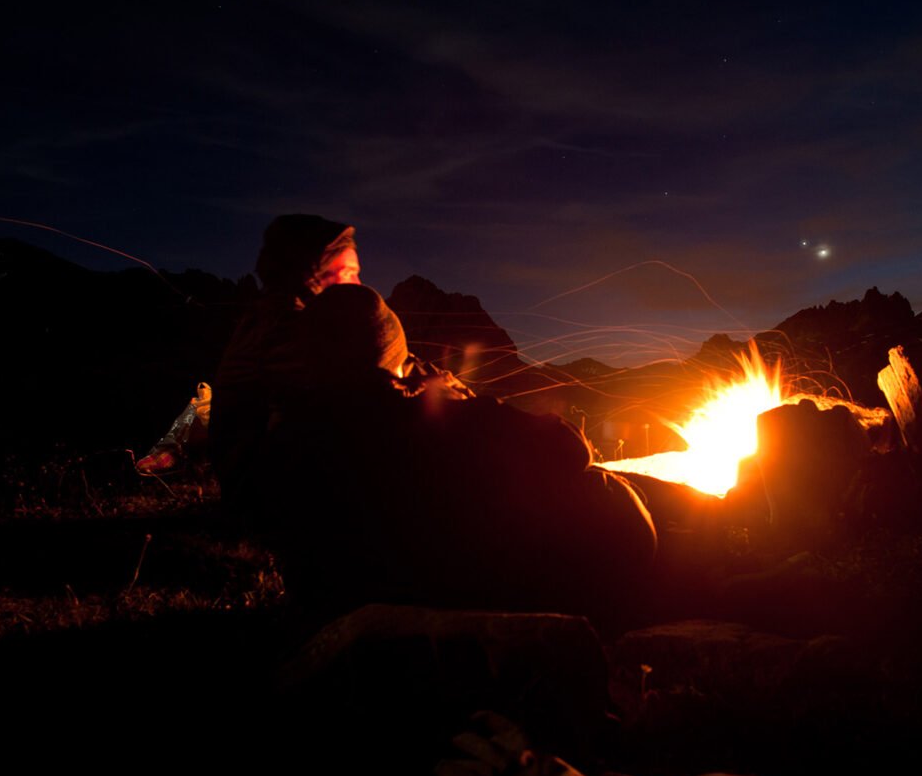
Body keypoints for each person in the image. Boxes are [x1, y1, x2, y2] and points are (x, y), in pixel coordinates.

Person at [205, 214, 658, 627]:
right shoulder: (285, 336)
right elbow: (362, 387)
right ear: (308, 273)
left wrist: (418, 380)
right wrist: (445, 401)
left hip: (329, 544)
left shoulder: (316, 363)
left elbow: (361, 370)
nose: (358, 283)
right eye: (346, 276)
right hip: (291, 501)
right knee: (580, 491)